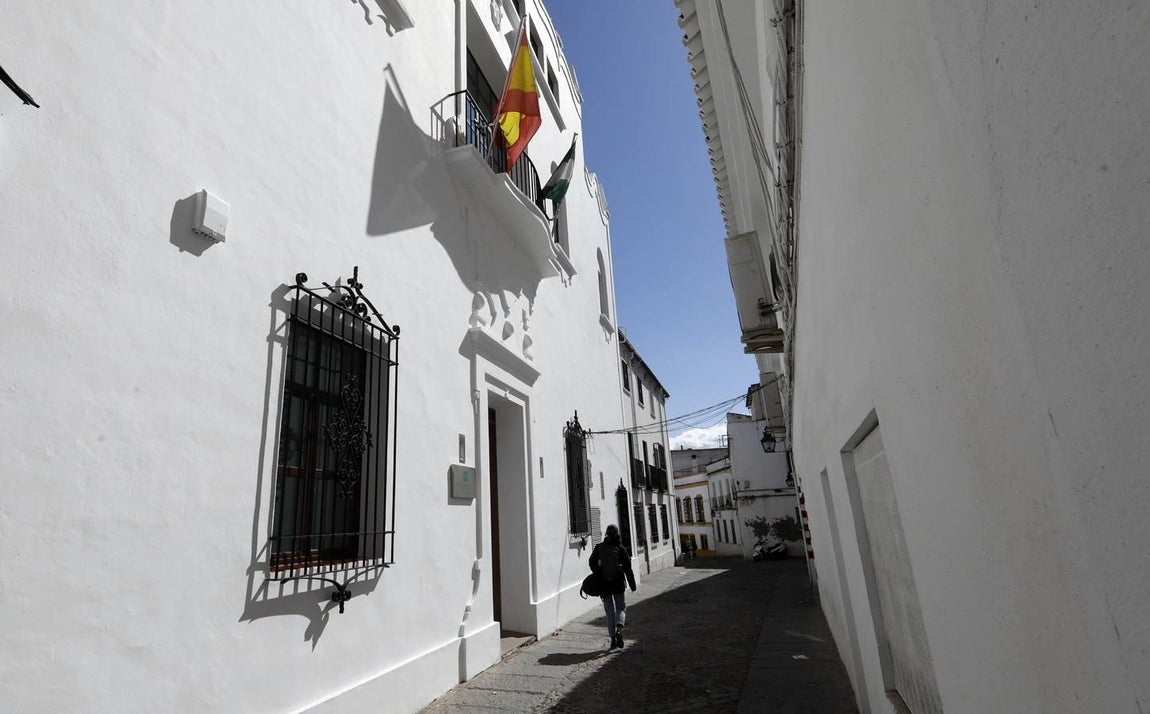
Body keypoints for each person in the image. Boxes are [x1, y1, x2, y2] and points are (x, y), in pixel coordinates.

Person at [589, 524, 636, 650]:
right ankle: (619, 629)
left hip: (604, 584)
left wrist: (598, 572)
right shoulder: (620, 549)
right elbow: (628, 568)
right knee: (621, 607)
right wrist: (632, 585)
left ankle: (612, 638)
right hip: (618, 583)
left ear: (606, 534)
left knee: (609, 610)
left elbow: (591, 562)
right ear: (617, 534)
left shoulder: (599, 548)